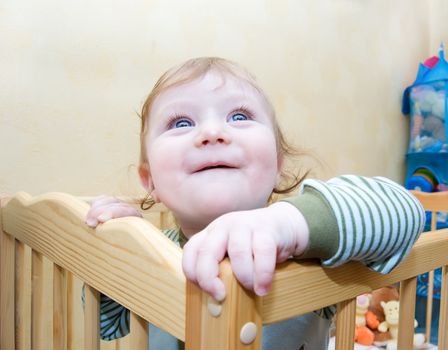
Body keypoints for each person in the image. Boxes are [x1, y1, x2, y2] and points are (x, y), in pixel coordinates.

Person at [85, 57, 425, 349]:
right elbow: (103, 325)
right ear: (150, 183)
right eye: (181, 122)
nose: (213, 132)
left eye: (239, 116)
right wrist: (113, 245)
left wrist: (289, 225)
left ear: (277, 166)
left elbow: (405, 211)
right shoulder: (151, 251)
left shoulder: (308, 249)